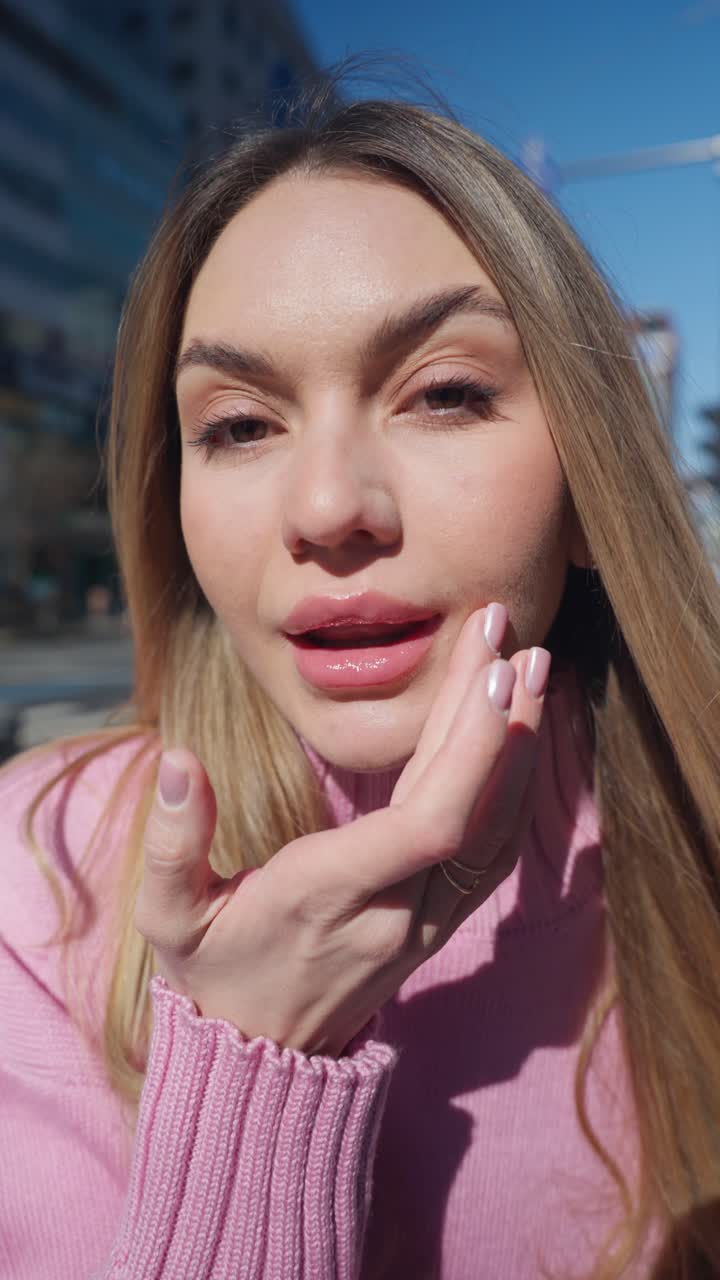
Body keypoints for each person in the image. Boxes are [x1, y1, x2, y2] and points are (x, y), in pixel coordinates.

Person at [1, 87, 719, 1280]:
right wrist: (255, 1051)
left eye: (444, 392)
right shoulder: (36, 879)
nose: (329, 507)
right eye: (238, 423)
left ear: (593, 482)